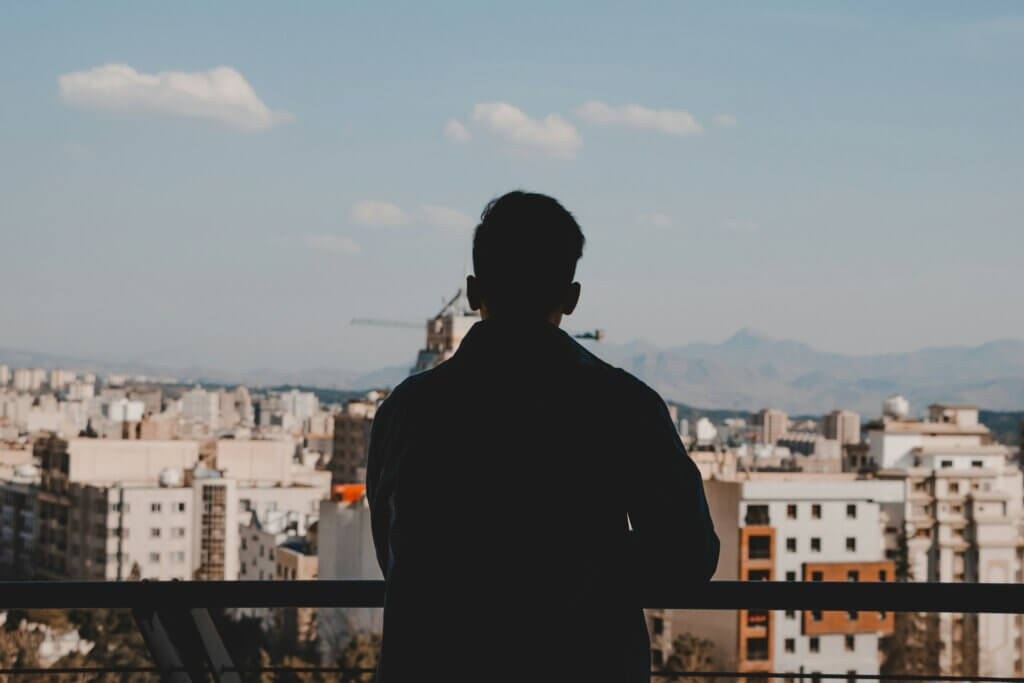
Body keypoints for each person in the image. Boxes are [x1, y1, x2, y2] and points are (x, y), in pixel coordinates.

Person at [366, 191, 719, 682]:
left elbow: (392, 548)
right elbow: (689, 555)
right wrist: (585, 567)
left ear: (472, 291)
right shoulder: (624, 407)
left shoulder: (407, 411)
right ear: (571, 298)